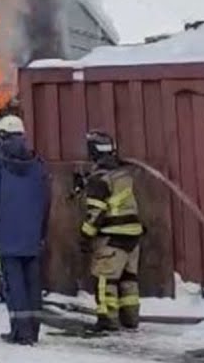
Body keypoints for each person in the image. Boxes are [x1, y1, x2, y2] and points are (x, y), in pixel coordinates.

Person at [0, 114, 51, 346]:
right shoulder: (37, 164)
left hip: (6, 235)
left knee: (14, 284)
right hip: (32, 235)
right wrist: (41, 230)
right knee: (32, 284)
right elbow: (47, 199)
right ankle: (33, 331)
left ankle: (20, 333)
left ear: (1, 136)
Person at [80, 130, 145, 333]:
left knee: (104, 279)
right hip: (133, 236)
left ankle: (107, 320)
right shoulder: (123, 174)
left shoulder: (99, 180)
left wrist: (85, 235)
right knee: (128, 280)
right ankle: (131, 319)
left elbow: (96, 214)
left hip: (112, 236)